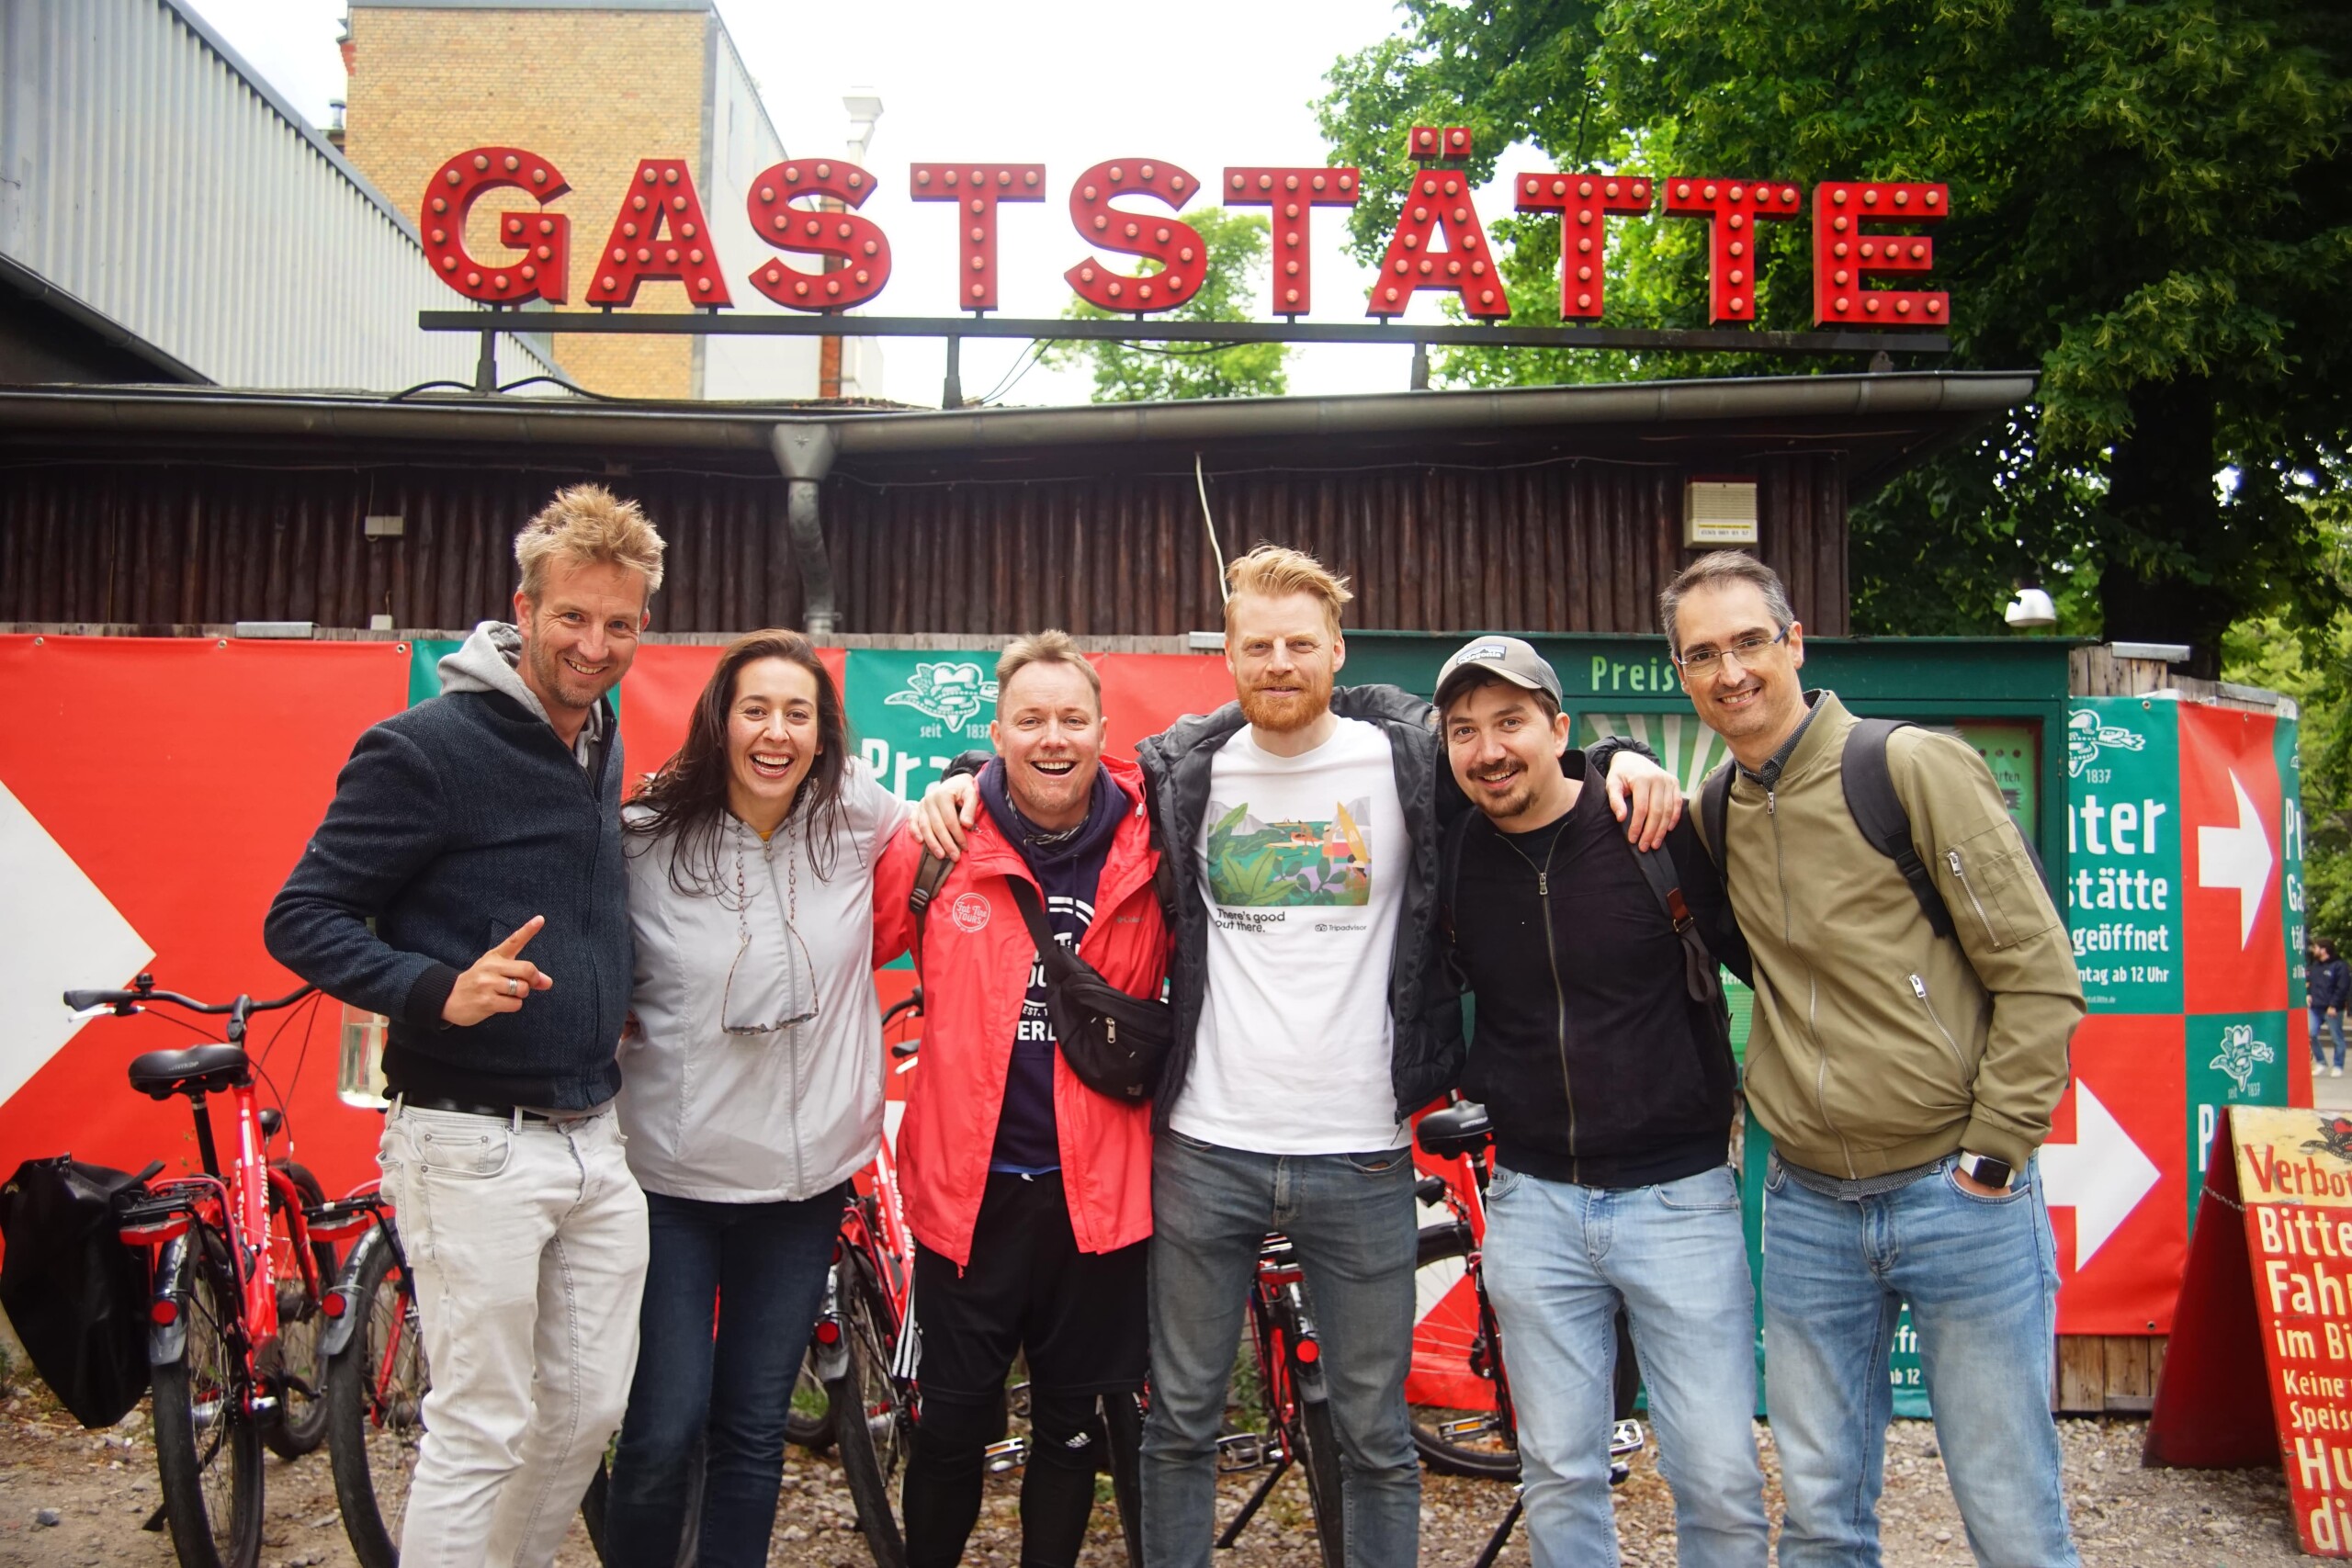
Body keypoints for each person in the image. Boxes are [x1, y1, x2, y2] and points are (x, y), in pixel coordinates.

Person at [1657, 549, 2085, 1568]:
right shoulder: (1717, 809)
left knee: (2007, 1505)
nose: (1730, 673)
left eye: (1749, 642)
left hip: (1956, 1196)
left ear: (1795, 641)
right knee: (1818, 1513)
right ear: (1682, 673)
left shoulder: (1907, 767)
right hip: (1808, 1206)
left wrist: (1992, 1155)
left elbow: (2040, 976)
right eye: (1701, 654)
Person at [263, 485, 662, 1568]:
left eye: (619, 623)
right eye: (572, 617)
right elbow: (299, 918)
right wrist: (432, 986)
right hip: (468, 1138)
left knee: (582, 1418)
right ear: (521, 608)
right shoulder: (424, 748)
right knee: (483, 1425)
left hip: (594, 1136)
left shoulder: (598, 736)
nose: (594, 644)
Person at [1432, 635, 1767, 1568]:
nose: (1489, 749)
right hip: (1532, 1200)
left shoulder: (1653, 831)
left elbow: (1774, 961)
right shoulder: (1451, 854)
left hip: (1678, 1198)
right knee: (1558, 1473)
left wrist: (1633, 761)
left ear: (1560, 730)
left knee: (1717, 1476)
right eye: (1464, 730)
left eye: (1510, 722)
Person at [601, 631, 908, 1566]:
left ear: (824, 734)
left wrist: (947, 794)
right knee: (661, 1428)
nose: (775, 734)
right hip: (671, 1184)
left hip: (801, 1186)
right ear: (718, 722)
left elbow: (951, 819)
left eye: (797, 714)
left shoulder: (855, 816)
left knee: (750, 1431)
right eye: (755, 710)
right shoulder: (646, 838)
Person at [869, 630, 1170, 1568]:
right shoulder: (940, 843)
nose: (1053, 737)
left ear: (1102, 730)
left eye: (1072, 719)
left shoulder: (1154, 837)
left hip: (1097, 1196)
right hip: (971, 1198)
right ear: (996, 733)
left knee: (1071, 1426)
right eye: (1031, 719)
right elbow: (834, 945)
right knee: (951, 1427)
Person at [2312, 940, 2349, 1077]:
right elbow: (2311, 982)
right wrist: (2309, 995)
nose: (2313, 950)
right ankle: (2321, 1061)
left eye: (2316, 947)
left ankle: (2338, 1065)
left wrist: (2334, 1004)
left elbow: (2342, 987)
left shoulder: (2339, 966)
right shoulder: (2316, 966)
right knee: (2311, 1032)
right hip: (2315, 1006)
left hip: (2332, 1008)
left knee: (2336, 1037)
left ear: (2324, 950)